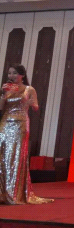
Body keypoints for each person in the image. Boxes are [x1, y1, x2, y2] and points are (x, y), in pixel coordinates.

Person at [0, 64, 52, 205]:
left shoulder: (29, 89)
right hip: (5, 123)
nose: (11, 76)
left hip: (20, 124)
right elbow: (1, 107)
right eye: (9, 73)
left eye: (14, 73)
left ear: (22, 75)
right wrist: (3, 94)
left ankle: (15, 192)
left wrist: (29, 103)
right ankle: (2, 192)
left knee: (16, 156)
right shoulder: (6, 88)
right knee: (2, 155)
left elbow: (35, 107)